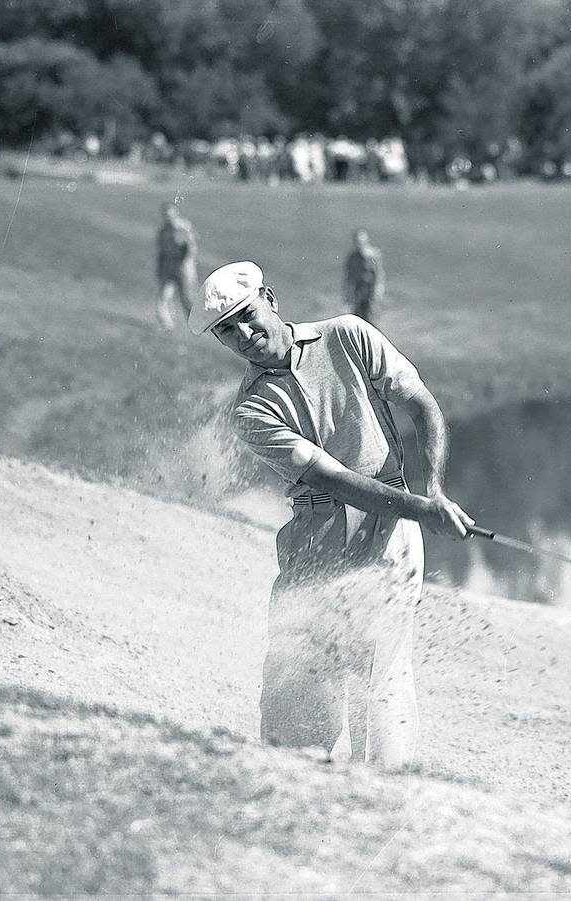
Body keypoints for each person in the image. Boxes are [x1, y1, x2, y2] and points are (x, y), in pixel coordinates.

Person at [190, 261, 473, 769]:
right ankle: (294, 779)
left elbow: (422, 405)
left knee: (379, 670)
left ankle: (386, 785)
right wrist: (423, 508)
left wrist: (433, 490)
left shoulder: (347, 335)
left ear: (270, 299)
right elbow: (333, 479)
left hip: (390, 535)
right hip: (316, 539)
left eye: (248, 315)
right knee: (297, 672)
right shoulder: (252, 411)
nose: (245, 334)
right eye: (227, 331)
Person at [155, 201, 198, 330]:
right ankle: (167, 325)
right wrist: (160, 268)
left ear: (176, 213)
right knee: (163, 297)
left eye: (170, 214)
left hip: (183, 269)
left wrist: (185, 264)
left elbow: (191, 249)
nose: (168, 217)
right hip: (169, 267)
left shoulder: (183, 227)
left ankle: (195, 326)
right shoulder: (163, 231)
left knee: (187, 300)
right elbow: (161, 251)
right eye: (166, 215)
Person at [342, 229, 385, 324]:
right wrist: (347, 293)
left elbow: (378, 274)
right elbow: (348, 276)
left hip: (370, 290)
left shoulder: (373, 255)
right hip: (357, 290)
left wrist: (378, 290)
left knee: (371, 317)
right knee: (357, 318)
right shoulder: (352, 257)